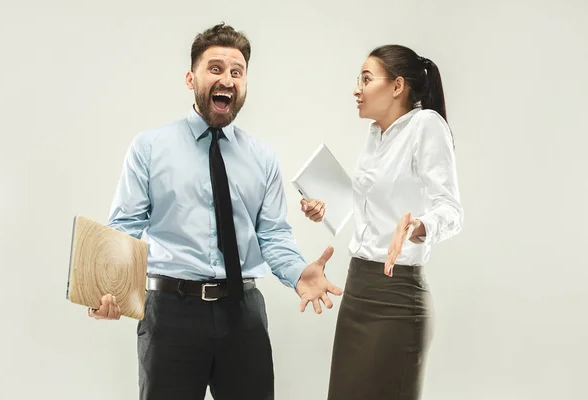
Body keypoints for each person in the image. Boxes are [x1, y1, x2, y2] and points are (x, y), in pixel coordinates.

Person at [87, 23, 343, 400]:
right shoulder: (149, 148)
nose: (227, 78)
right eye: (216, 68)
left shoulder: (263, 158)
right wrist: (105, 290)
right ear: (192, 78)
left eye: (237, 72)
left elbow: (272, 234)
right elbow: (124, 228)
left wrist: (298, 273)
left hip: (243, 314)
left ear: (245, 84)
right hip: (170, 314)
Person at [301, 44, 464, 399]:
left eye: (365, 78)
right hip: (358, 291)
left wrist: (417, 226)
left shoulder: (426, 126)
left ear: (397, 86)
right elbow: (374, 205)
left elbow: (451, 210)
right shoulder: (376, 133)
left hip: (396, 300)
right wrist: (325, 209)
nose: (356, 89)